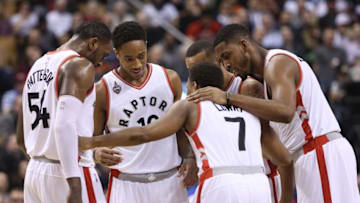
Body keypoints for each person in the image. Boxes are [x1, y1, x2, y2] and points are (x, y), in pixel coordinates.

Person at [187, 24, 360, 203]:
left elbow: (285, 112)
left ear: (244, 45)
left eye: (227, 56)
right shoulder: (267, 76)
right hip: (308, 156)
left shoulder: (278, 63)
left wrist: (228, 98)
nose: (227, 65)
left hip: (319, 152)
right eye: (222, 60)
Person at [79, 62, 294, 203]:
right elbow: (284, 160)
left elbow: (143, 134)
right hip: (258, 185)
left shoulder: (191, 106)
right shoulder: (248, 111)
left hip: (221, 184)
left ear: (194, 86)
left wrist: (92, 142)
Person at [93, 21, 196, 203]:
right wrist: (97, 152)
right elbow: (94, 138)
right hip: (126, 184)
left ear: (147, 47)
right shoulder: (104, 88)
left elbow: (180, 129)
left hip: (170, 181)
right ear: (116, 53)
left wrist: (189, 157)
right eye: (129, 58)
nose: (137, 64)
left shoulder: (169, 79)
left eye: (141, 55)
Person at [16, 21, 112, 203]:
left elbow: (22, 135)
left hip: (34, 171)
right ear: (93, 43)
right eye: (104, 54)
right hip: (69, 173)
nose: (101, 62)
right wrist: (74, 185)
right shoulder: (80, 65)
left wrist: (43, 159)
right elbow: (63, 126)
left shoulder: (37, 64)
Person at [185, 40, 290, 203]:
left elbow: (271, 142)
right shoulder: (201, 99)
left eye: (200, 66)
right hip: (227, 182)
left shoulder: (247, 88)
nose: (196, 74)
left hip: (262, 178)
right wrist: (190, 157)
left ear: (218, 60)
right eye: (191, 70)